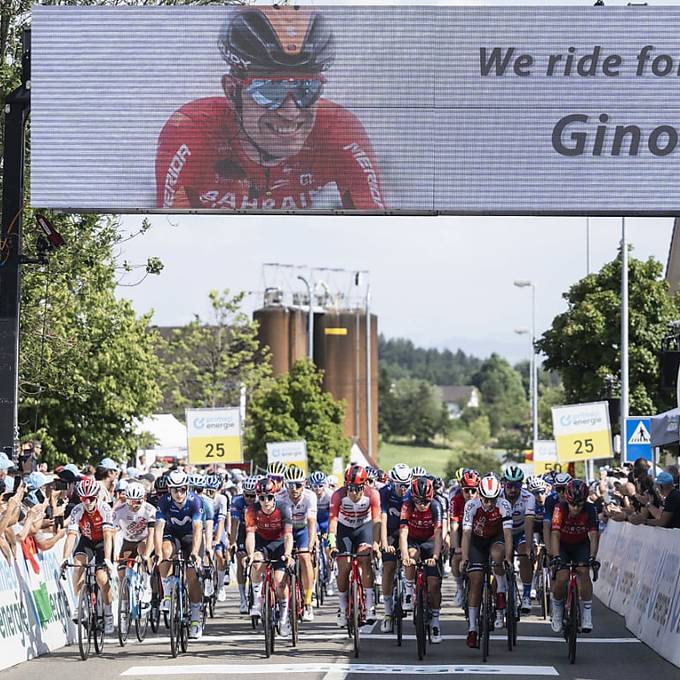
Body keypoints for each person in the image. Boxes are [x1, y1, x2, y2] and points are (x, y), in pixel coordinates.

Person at [156, 6, 385, 212]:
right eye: (269, 92)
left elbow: (377, 229)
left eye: (307, 89)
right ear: (232, 91)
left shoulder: (339, 131)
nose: (291, 112)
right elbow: (170, 231)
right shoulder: (191, 131)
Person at [461, 474, 513, 649]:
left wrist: (508, 556)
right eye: (485, 499)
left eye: (492, 499)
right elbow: (466, 534)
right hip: (476, 540)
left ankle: (500, 590)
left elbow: (507, 534)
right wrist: (465, 557)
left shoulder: (504, 505)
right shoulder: (471, 505)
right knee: (475, 581)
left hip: (495, 538)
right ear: (479, 495)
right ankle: (473, 629)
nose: (489, 503)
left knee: (498, 554)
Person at [328, 464, 380, 627]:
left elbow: (377, 521)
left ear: (364, 486)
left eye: (358, 488)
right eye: (350, 488)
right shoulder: (338, 495)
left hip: (364, 528)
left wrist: (376, 544)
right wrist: (331, 543)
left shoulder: (373, 495)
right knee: (344, 566)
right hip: (345, 529)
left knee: (365, 559)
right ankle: (343, 607)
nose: (354, 492)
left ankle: (370, 606)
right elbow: (333, 521)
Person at [155, 470, 205, 639]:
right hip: (172, 535)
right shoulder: (164, 501)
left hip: (191, 537)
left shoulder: (195, 501)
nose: (179, 493)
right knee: (165, 551)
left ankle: (196, 619)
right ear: (169, 490)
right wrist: (158, 553)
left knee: (192, 575)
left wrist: (195, 553)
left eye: (182, 489)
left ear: (187, 488)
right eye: (175, 490)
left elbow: (198, 529)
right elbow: (158, 529)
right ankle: (168, 594)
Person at [61, 479, 115, 634]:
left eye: (91, 498)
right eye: (84, 499)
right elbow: (71, 535)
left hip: (102, 542)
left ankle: (108, 611)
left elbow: (107, 536)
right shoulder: (77, 510)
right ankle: (79, 605)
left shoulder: (104, 509)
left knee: (101, 578)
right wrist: (65, 558)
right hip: (87, 540)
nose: (88, 502)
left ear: (96, 497)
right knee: (77, 566)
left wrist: (107, 559)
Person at [246, 477, 294, 637]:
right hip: (262, 543)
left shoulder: (284, 508)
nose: (265, 501)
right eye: (262, 498)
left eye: (269, 497)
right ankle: (257, 601)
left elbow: (288, 535)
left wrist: (287, 553)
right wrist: (250, 554)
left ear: (275, 496)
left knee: (280, 583)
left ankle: (284, 617)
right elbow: (250, 535)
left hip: (279, 544)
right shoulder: (252, 510)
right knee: (256, 562)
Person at [550, 479, 599, 634]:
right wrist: (556, 556)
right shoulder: (560, 508)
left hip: (581, 544)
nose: (576, 508)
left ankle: (586, 614)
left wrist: (592, 557)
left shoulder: (590, 509)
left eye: (579, 505)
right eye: (573, 504)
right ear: (567, 500)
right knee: (562, 576)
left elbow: (593, 535)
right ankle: (557, 609)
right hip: (563, 544)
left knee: (584, 572)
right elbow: (555, 534)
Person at [400, 476, 444, 643]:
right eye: (419, 501)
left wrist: (435, 557)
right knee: (411, 557)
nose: (422, 505)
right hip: (413, 540)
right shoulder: (407, 505)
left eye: (426, 501)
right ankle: (409, 591)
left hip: (431, 541)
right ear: (413, 498)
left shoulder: (436, 506)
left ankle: (435, 621)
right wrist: (405, 557)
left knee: (433, 584)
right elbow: (403, 533)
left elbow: (439, 534)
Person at [280, 464, 317, 622]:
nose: (294, 489)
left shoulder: (310, 496)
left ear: (304, 485)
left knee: (305, 558)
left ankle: (308, 601)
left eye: (298, 485)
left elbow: (311, 522)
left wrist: (310, 545)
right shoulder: (279, 498)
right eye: (290, 485)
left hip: (302, 530)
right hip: (285, 530)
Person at [379, 463, 411, 632]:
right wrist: (384, 544)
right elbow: (383, 519)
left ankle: (410, 593)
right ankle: (387, 613)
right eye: (400, 485)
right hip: (391, 531)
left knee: (410, 559)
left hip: (409, 531)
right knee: (389, 567)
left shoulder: (413, 493)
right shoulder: (384, 492)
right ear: (393, 483)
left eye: (407, 485)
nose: (404, 489)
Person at [500, 466, 536, 613]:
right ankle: (499, 593)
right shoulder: (498, 497)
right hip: (502, 532)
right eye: (509, 485)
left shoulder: (529, 497)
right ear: (504, 484)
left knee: (525, 557)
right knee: (498, 558)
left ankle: (526, 595)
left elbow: (529, 522)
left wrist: (528, 547)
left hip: (521, 531)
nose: (513, 490)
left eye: (517, 485)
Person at [450, 468, 480, 608]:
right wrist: (456, 547)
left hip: (479, 533)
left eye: (473, 490)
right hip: (462, 532)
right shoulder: (456, 500)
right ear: (461, 489)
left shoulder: (483, 500)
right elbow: (454, 527)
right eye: (466, 490)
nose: (470, 494)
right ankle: (460, 589)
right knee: (456, 557)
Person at [229, 475, 259, 612]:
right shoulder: (237, 501)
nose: (249, 499)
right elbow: (234, 524)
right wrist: (232, 542)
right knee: (241, 560)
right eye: (247, 495)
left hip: (258, 529)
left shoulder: (263, 501)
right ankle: (242, 599)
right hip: (242, 528)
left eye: (252, 496)